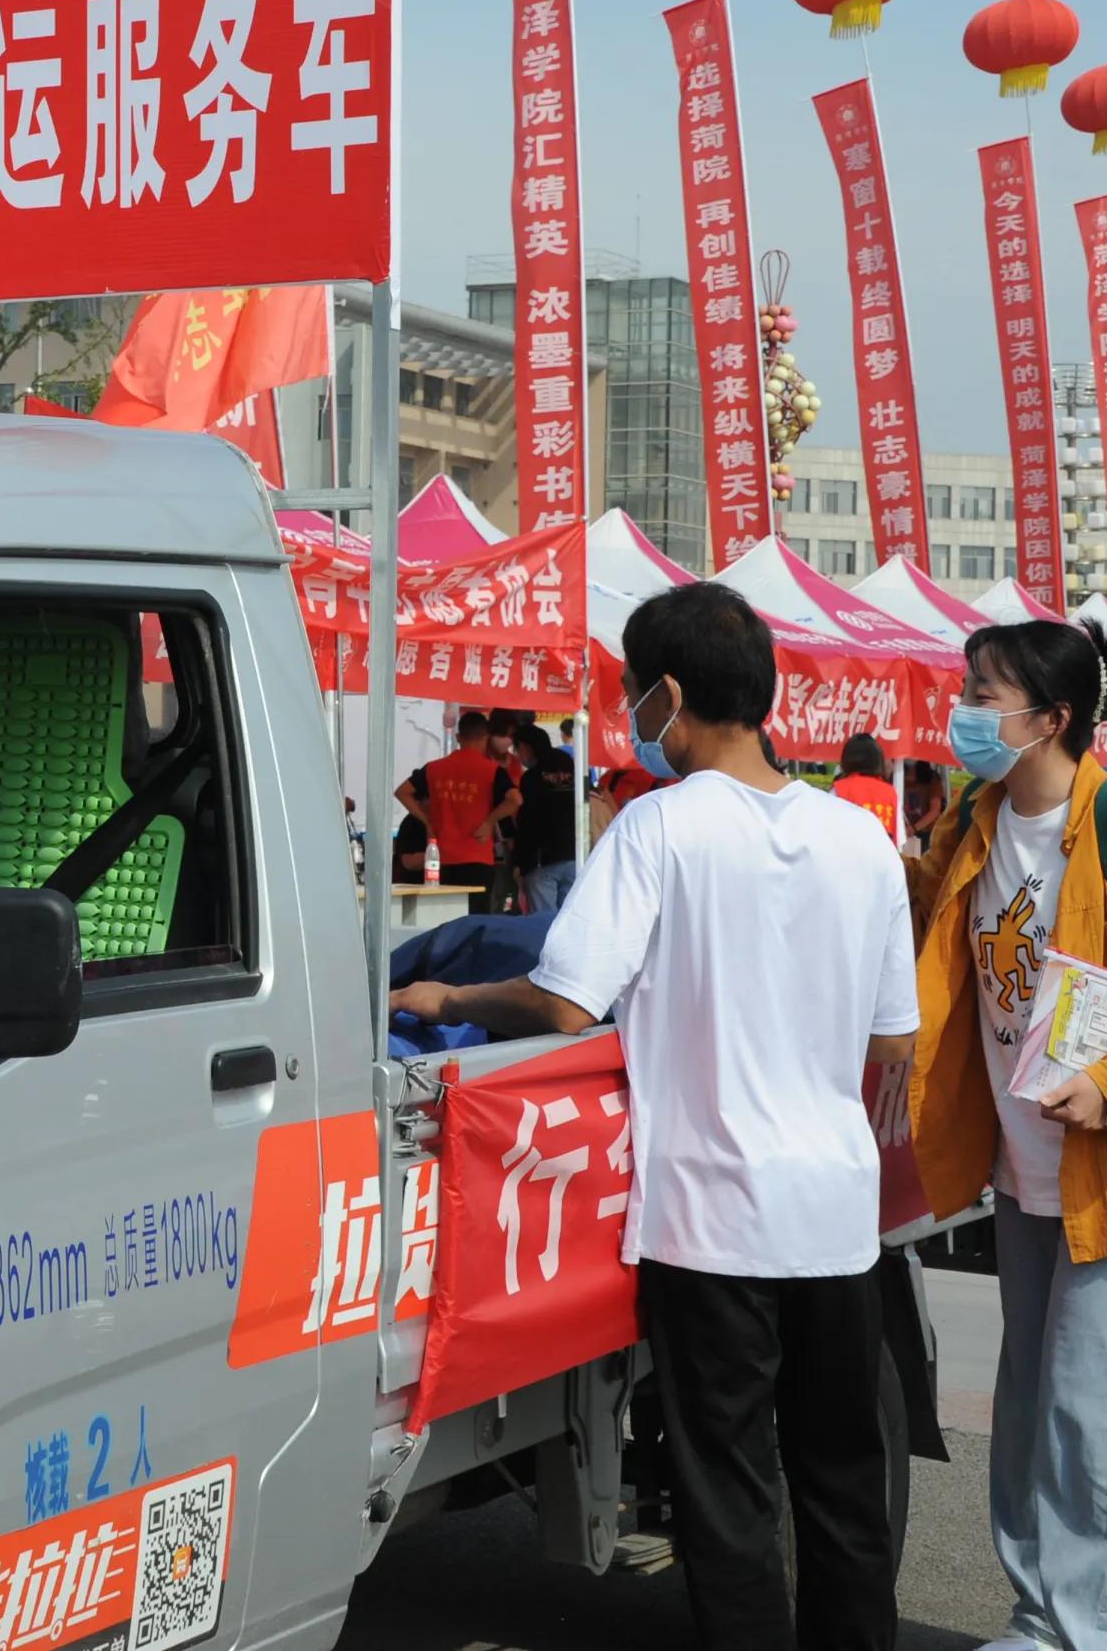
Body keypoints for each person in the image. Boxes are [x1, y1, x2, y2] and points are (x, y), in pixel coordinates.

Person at [395, 584, 918, 1651]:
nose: (634, 710)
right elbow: (892, 1038)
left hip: (713, 1220)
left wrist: (449, 999)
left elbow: (561, 999)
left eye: (636, 692)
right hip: (834, 1213)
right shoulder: (856, 837)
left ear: (669, 694)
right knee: (842, 1484)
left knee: (729, 1499)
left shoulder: (660, 826)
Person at [906, 620, 1107, 1651]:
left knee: (1096, 1413)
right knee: (1027, 1403)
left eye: (981, 691)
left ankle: (1103, 1632)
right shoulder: (975, 813)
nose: (962, 709)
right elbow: (936, 930)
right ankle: (1039, 1613)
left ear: (1049, 717)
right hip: (1022, 1164)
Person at [397, 710, 516, 903]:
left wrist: (427, 820)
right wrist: (489, 822)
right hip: (478, 857)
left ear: (458, 737)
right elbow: (515, 799)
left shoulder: (434, 768)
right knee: (476, 922)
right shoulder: (492, 771)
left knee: (447, 919)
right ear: (485, 738)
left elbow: (402, 792)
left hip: (443, 860)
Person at [509, 720, 582, 913]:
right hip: (575, 856)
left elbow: (528, 822)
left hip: (542, 861)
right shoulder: (572, 768)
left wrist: (519, 862)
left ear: (524, 747)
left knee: (543, 925)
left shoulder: (531, 778)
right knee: (569, 919)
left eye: (517, 750)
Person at [832, 731, 901, 842]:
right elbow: (899, 837)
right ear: (878, 759)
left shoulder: (838, 789)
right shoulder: (890, 793)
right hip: (882, 856)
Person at [900, 761, 948, 853]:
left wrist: (915, 828)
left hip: (926, 833)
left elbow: (935, 810)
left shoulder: (932, 781)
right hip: (905, 832)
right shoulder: (898, 777)